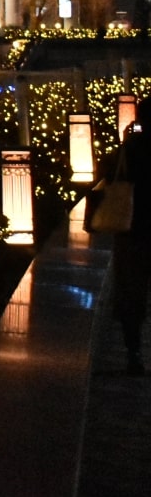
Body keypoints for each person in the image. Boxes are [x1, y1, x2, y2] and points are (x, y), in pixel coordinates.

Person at [107, 120, 151, 374]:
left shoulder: (131, 149)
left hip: (131, 231)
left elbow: (108, 176)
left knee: (132, 296)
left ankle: (133, 351)